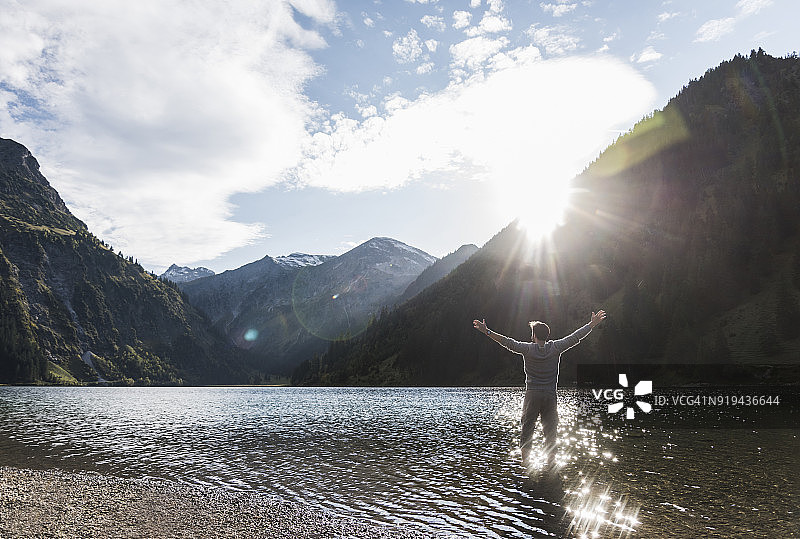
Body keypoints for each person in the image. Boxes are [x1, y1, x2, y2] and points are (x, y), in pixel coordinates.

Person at [472, 311, 606, 467]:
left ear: (534, 335)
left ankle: (526, 463)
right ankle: (551, 463)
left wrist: (487, 331)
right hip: (550, 395)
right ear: (546, 335)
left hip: (532, 395)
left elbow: (506, 342)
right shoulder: (556, 347)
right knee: (551, 429)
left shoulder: (527, 349)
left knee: (527, 427)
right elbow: (575, 337)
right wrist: (592, 324)